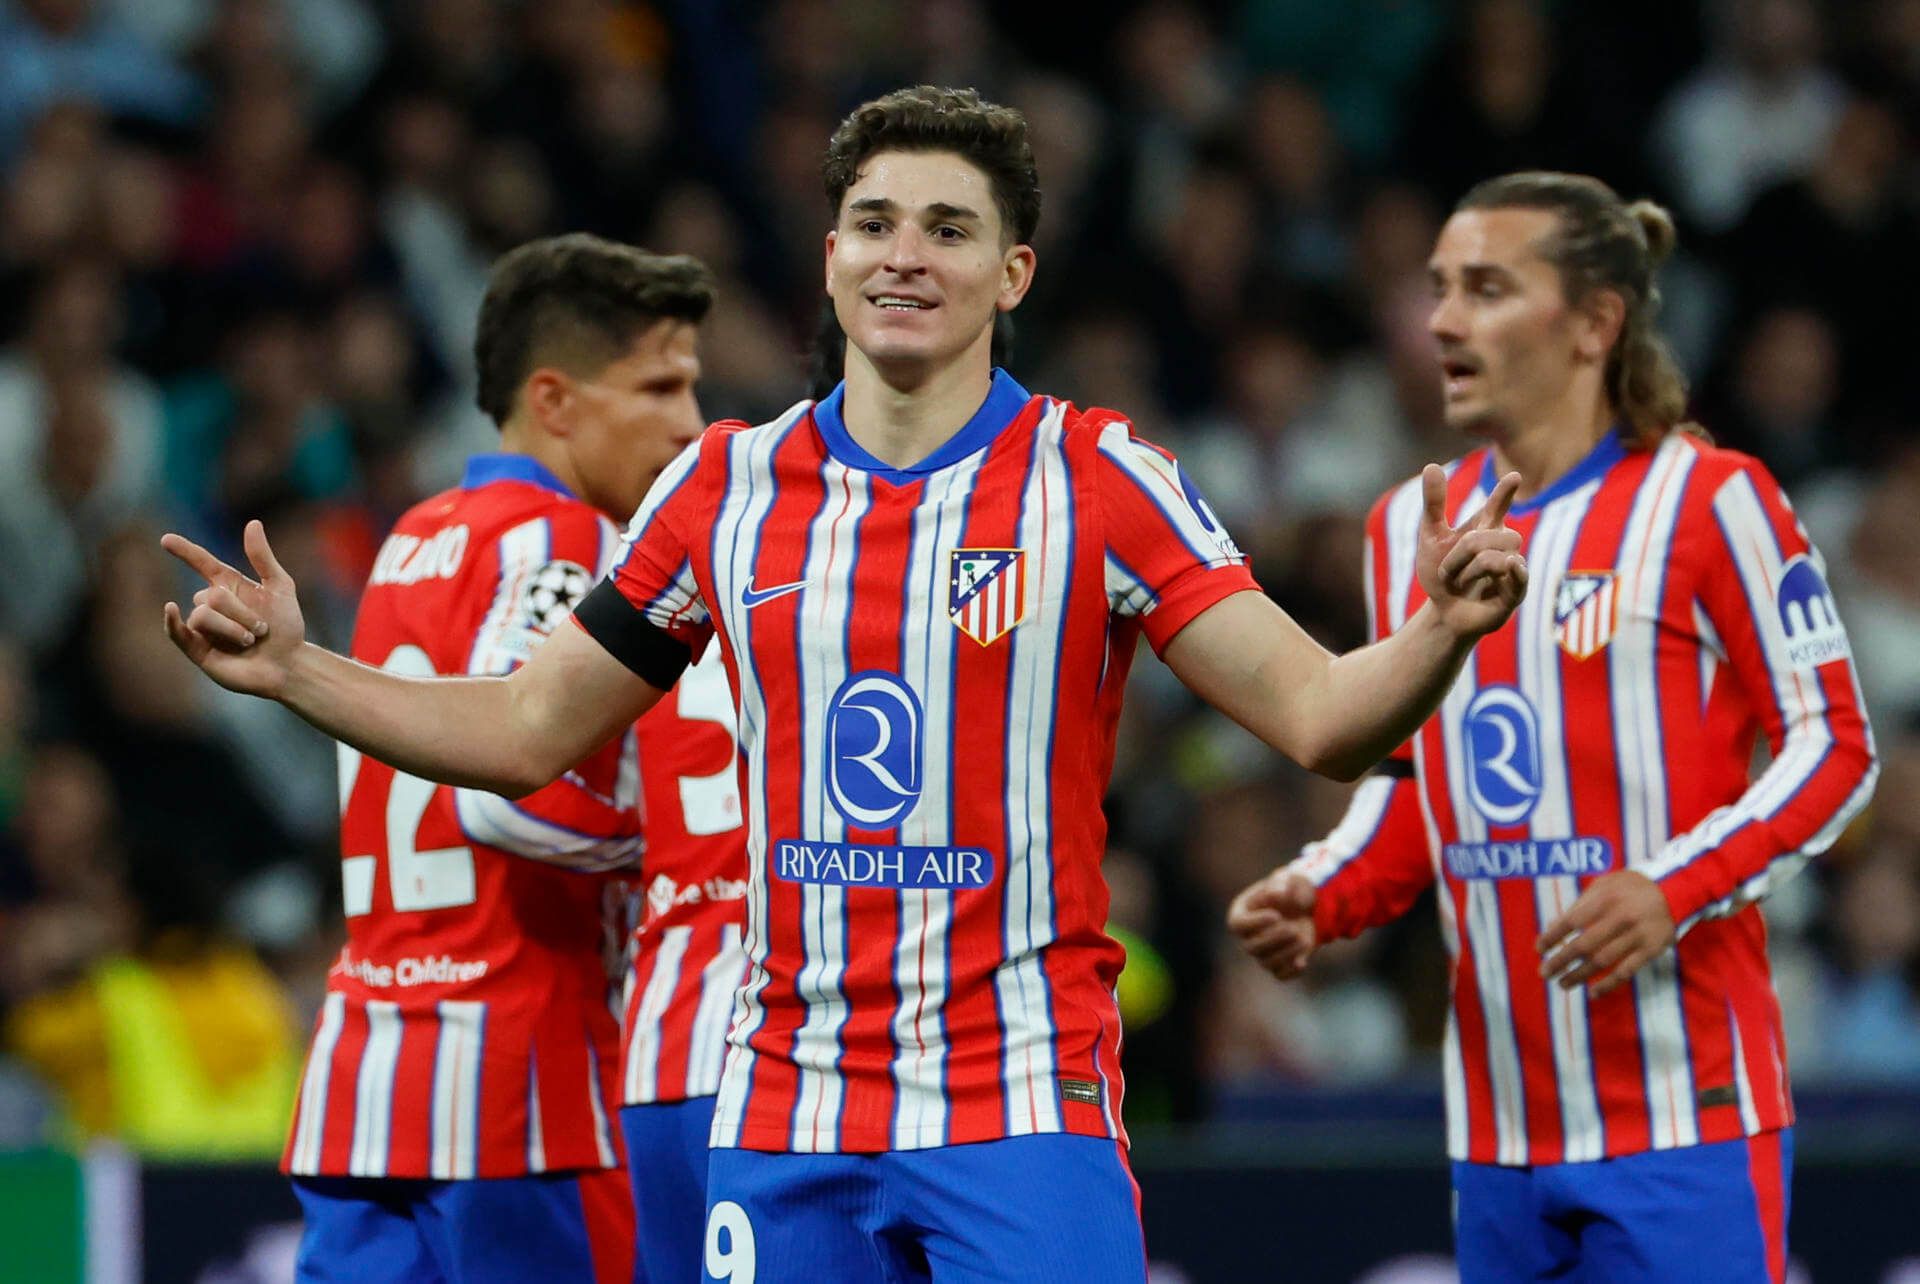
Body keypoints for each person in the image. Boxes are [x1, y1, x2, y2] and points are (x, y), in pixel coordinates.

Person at [161, 86, 1529, 1283]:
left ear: (1015, 275)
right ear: (828, 260)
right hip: (784, 1108)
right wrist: (298, 669)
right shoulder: (726, 489)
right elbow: (528, 731)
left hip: (1018, 1099)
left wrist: (1439, 636)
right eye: (875, 223)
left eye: (949, 228)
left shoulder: (1101, 478)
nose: (904, 255)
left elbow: (1317, 716)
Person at [1228, 171, 1878, 1284]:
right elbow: (1418, 781)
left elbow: (1837, 748)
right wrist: (1322, 885)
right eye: (1437, 289)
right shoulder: (1407, 529)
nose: (1439, 320)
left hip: (1685, 1118)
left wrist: (1673, 885)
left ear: (1595, 321)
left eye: (1485, 288)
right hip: (1498, 1138)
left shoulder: (1713, 500)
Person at [270, 233, 713, 1284]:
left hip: (371, 1063)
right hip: (520, 1079)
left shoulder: (417, 535)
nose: (691, 424)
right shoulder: (572, 546)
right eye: (659, 385)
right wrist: (682, 854)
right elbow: (513, 797)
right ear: (555, 401)